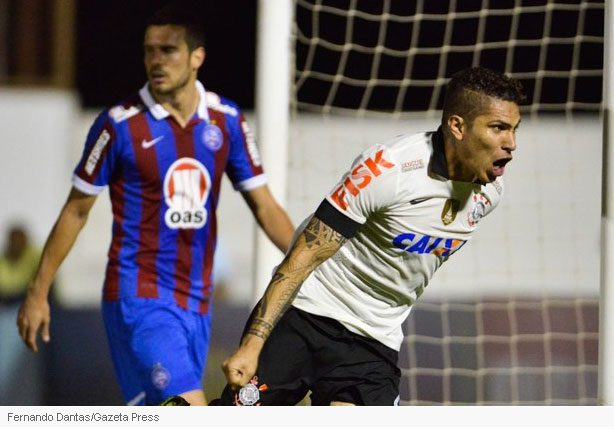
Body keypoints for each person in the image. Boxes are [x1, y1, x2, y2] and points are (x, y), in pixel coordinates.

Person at [17, 3, 294, 406]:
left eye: (169, 50)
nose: (156, 60)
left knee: (155, 411)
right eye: (150, 50)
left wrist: (310, 270)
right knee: (189, 407)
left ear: (197, 57)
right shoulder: (119, 124)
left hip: (197, 301)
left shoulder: (226, 120)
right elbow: (77, 209)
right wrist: (38, 291)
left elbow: (265, 207)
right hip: (139, 295)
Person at [219, 67, 525, 406]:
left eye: (514, 130)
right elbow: (303, 256)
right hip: (308, 312)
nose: (511, 143)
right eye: (498, 128)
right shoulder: (389, 168)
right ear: (457, 126)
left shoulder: (490, 193)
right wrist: (252, 345)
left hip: (373, 338)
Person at [0, 225, 41, 404]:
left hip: (32, 317)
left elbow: (39, 287)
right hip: (10, 315)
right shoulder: (5, 259)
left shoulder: (35, 256)